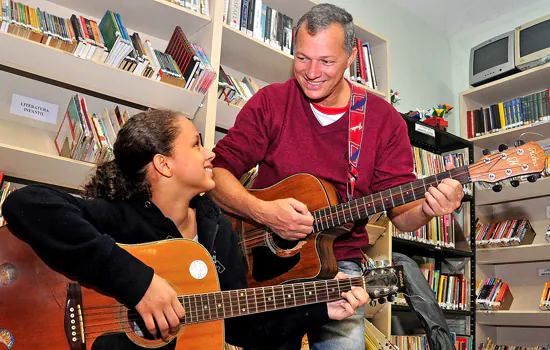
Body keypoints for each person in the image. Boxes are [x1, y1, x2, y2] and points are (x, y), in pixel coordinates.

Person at [208, 3, 465, 349]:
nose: (312, 72)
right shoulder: (271, 102)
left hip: (339, 267)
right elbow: (217, 173)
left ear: (350, 61)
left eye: (326, 61)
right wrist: (263, 212)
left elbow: (402, 218)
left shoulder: (383, 121)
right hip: (262, 258)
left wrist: (430, 208)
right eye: (302, 58)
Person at [2, 109, 368, 350]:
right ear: (163, 165)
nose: (210, 154)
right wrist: (139, 283)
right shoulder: (122, 217)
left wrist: (320, 310)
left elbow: (238, 325)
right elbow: (26, 203)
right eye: (196, 144)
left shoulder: (217, 230)